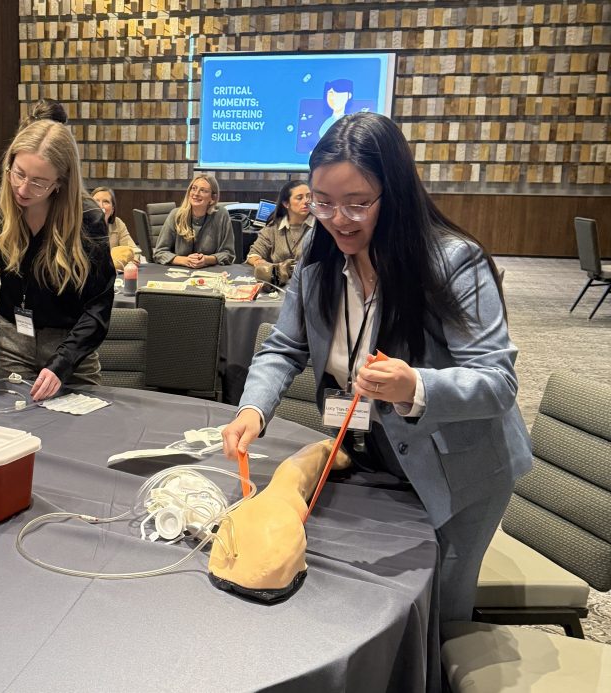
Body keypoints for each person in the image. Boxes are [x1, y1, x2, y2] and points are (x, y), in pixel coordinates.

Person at [221, 112, 532, 625]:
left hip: (462, 470)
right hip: (373, 453)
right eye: (322, 202)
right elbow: (283, 348)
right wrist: (253, 409)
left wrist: (417, 386)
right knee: (361, 595)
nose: (338, 219)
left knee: (436, 609)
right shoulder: (316, 260)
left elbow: (498, 382)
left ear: (395, 195)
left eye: (357, 203)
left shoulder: (455, 262)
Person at [0, 119, 114, 400]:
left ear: (60, 182)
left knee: (81, 434)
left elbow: (99, 306)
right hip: (10, 341)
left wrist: (63, 363)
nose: (22, 189)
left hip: (71, 346)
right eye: (18, 173)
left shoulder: (88, 220)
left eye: (38, 182)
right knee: (12, 429)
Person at [152, 173, 235, 267]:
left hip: (211, 273)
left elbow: (229, 254)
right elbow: (159, 253)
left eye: (203, 191)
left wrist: (207, 260)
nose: (196, 194)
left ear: (212, 198)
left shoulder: (221, 215)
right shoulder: (176, 215)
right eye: (194, 188)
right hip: (179, 273)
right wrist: (185, 260)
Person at [245, 179, 314, 285]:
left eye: (309, 196)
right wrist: (269, 267)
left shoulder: (320, 227)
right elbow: (253, 255)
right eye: (299, 198)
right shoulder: (273, 228)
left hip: (309, 284)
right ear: (286, 204)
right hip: (278, 284)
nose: (306, 201)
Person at [91, 186, 135, 268]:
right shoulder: (80, 225)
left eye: (106, 202)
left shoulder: (117, 223)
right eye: (96, 201)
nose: (100, 206)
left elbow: (133, 252)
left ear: (112, 210)